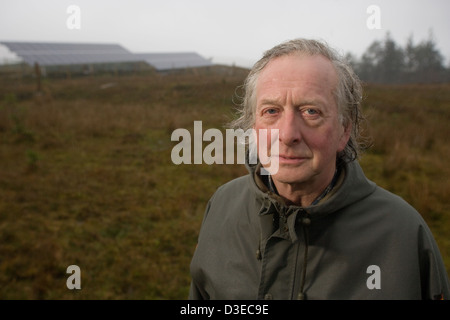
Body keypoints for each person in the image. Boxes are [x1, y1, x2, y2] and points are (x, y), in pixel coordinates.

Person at [188, 38, 450, 300]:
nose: (288, 134)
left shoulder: (402, 234)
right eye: (271, 111)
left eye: (311, 111)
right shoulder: (222, 206)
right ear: (253, 126)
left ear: (344, 129)